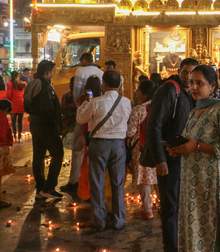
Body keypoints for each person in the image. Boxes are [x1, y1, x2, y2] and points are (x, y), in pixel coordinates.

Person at [167, 65, 220, 252]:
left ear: (212, 86)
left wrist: (197, 146)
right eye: (191, 83)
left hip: (213, 184)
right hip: (192, 183)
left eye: (199, 83)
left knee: (211, 230)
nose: (193, 87)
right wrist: (180, 148)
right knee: (195, 228)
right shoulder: (195, 111)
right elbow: (190, 141)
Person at [146, 58, 198, 252]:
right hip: (169, 157)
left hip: (185, 158)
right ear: (179, 71)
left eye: (193, 75)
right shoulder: (170, 90)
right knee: (170, 207)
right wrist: (159, 160)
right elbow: (154, 125)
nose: (188, 77)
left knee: (182, 206)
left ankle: (177, 247)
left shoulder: (189, 93)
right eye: (185, 73)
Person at [76, 70, 131, 231]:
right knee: (118, 183)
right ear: (119, 84)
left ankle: (99, 221)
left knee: (97, 183)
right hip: (119, 145)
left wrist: (86, 102)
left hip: (99, 145)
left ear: (104, 84)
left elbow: (80, 119)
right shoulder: (126, 102)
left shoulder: (96, 102)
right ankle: (119, 219)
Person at [62, 53, 104, 193]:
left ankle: (75, 181)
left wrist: (80, 107)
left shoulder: (81, 71)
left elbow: (76, 93)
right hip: (99, 115)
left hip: (84, 114)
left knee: (78, 149)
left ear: (85, 60)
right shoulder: (100, 72)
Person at [24, 60, 64, 200]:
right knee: (58, 153)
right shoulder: (45, 86)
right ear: (47, 72)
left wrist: (34, 115)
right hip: (46, 126)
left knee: (39, 156)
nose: (52, 74)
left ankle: (40, 187)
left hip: (35, 124)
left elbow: (27, 105)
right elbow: (47, 108)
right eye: (51, 72)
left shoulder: (33, 83)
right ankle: (49, 187)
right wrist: (55, 121)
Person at [126, 79, 158, 219]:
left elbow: (130, 132)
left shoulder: (138, 110)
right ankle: (165, 205)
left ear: (144, 95)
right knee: (157, 177)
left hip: (140, 148)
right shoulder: (158, 107)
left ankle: (147, 209)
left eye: (138, 90)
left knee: (143, 178)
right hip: (157, 146)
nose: (136, 93)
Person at [6, 71, 26, 141]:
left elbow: (9, 95)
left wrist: (7, 101)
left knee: (13, 121)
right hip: (21, 104)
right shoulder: (23, 84)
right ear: (18, 75)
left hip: (13, 105)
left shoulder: (9, 84)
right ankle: (19, 137)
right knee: (20, 121)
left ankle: (14, 136)